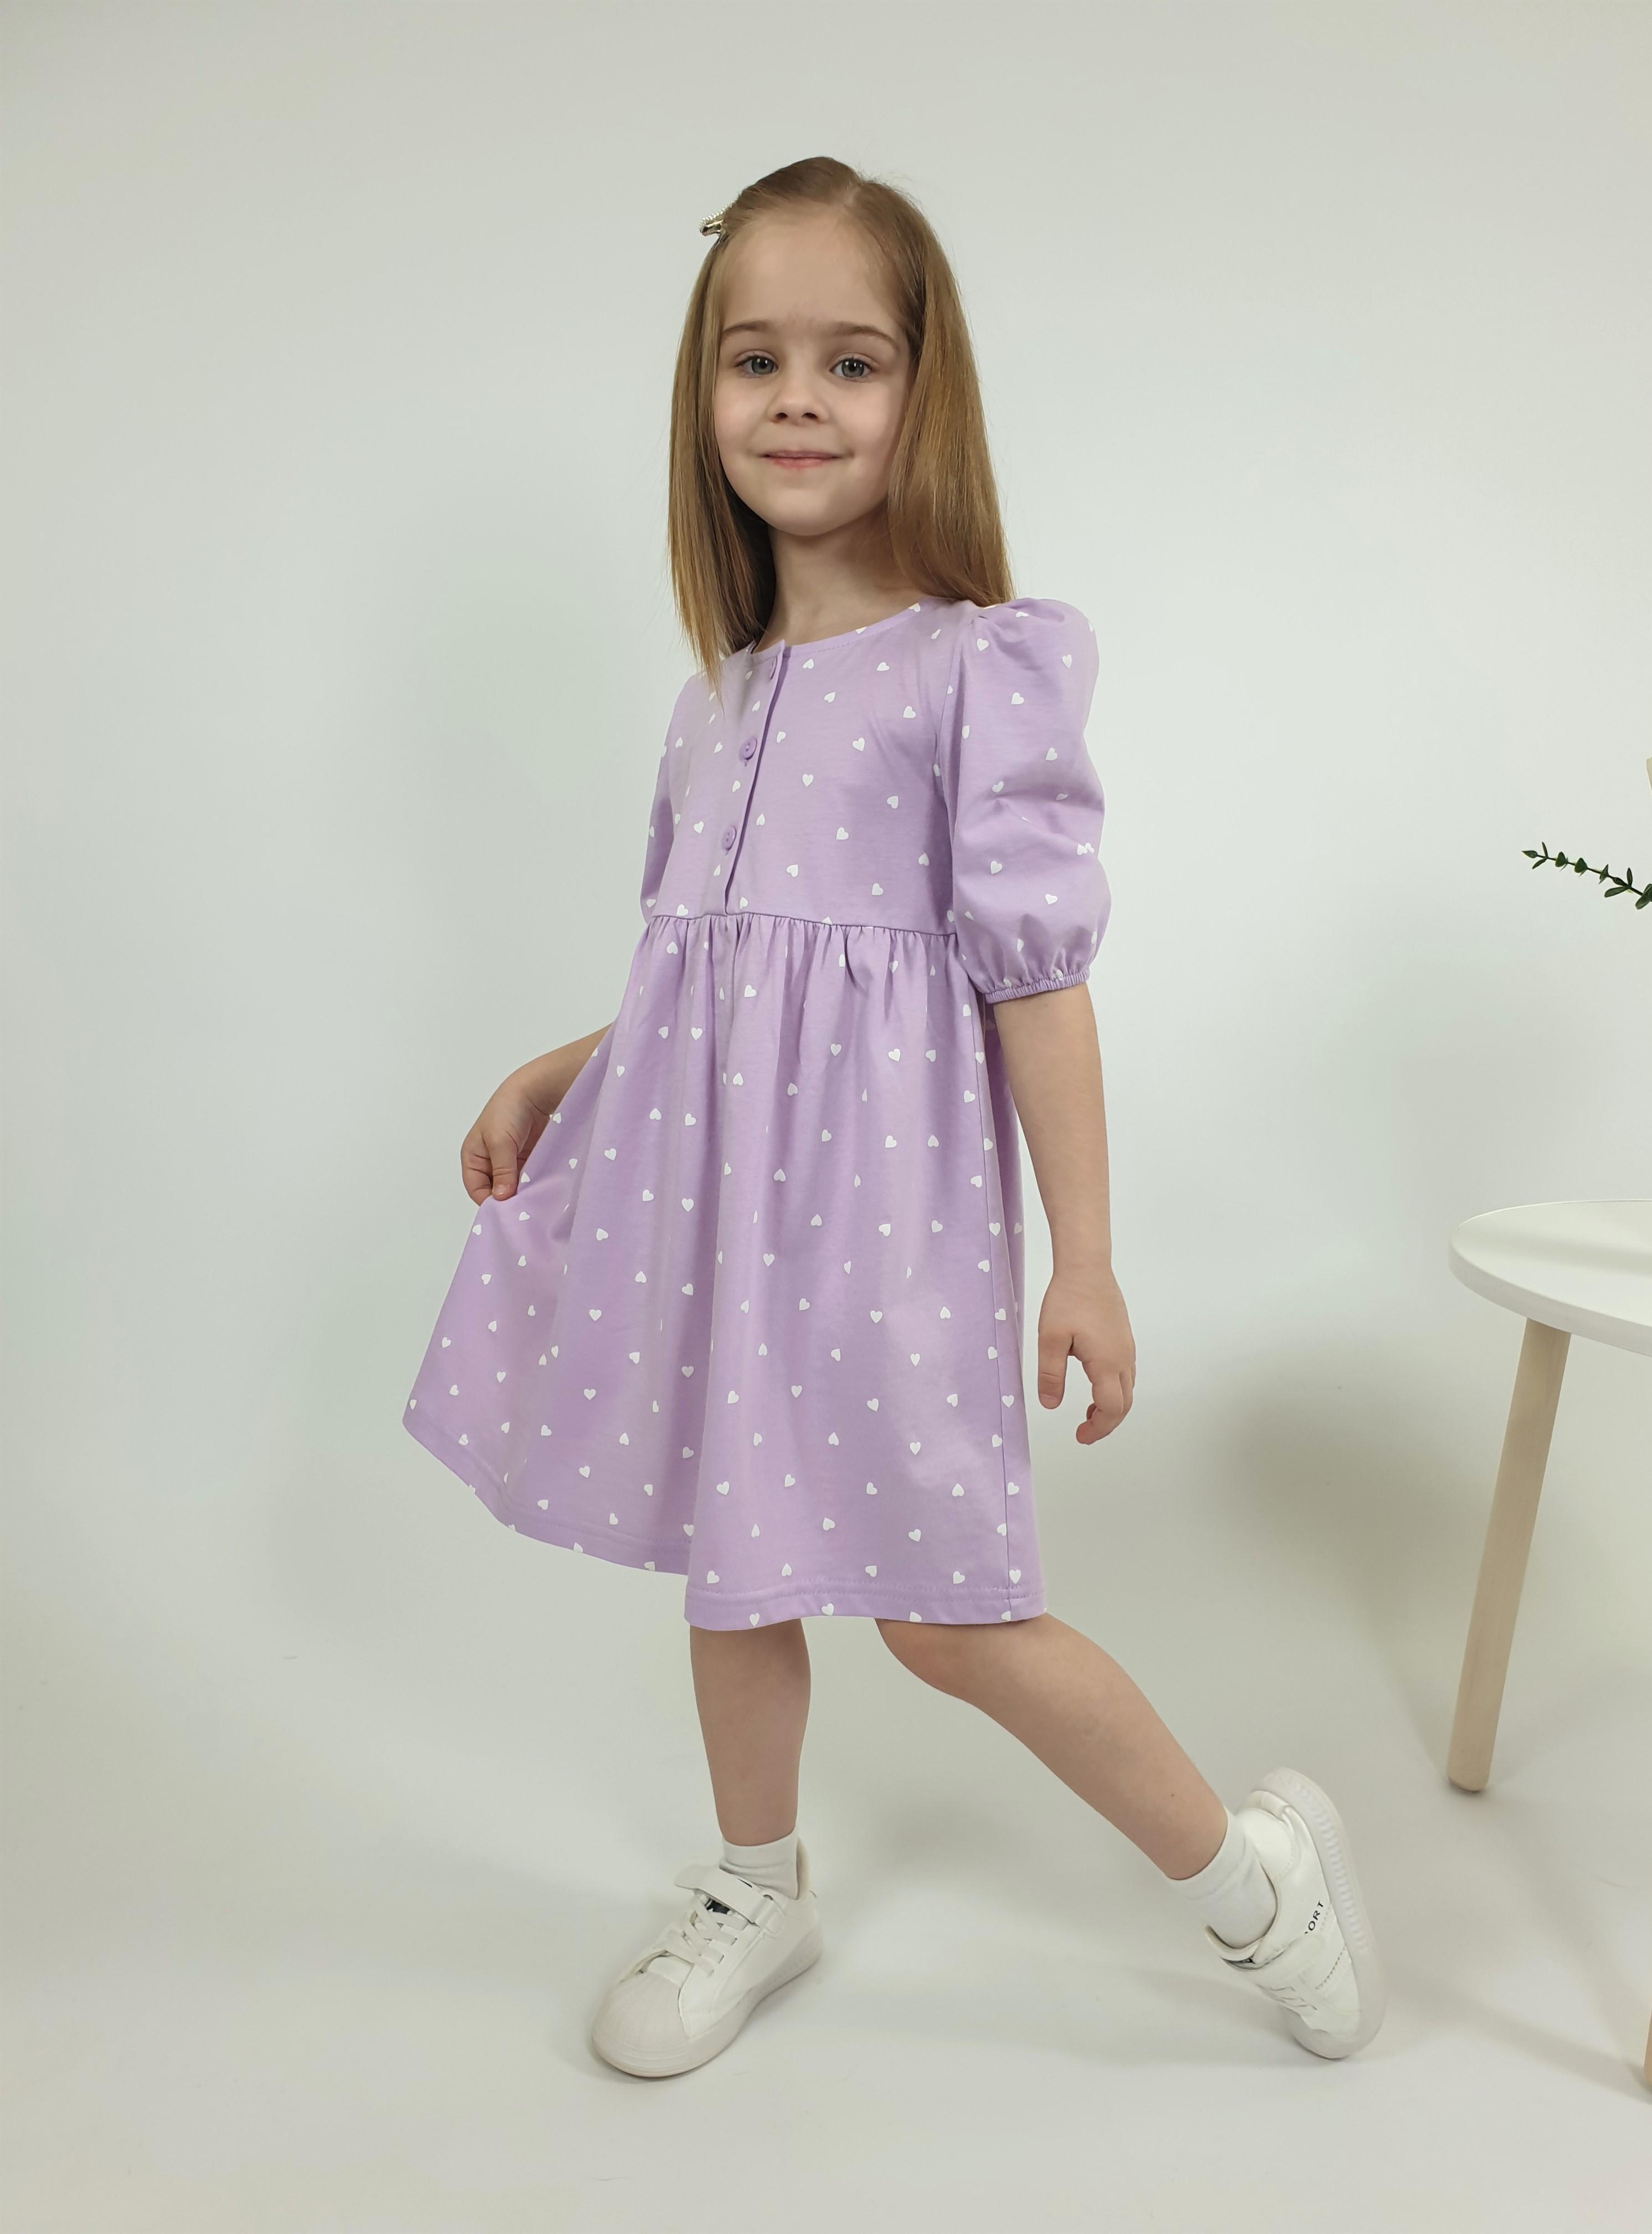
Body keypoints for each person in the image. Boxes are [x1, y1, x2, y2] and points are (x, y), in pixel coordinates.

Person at [401, 156, 1385, 2081]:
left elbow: (1035, 981)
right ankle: (755, 1881)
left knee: (948, 1621)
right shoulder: (717, 700)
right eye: (755, 359)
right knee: (733, 1557)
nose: (799, 400)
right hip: (724, 1220)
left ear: (925, 393)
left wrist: (1086, 1259)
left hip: (886, 1230)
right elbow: (726, 981)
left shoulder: (971, 671)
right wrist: (563, 1068)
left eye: (850, 362)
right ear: (703, 393)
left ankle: (1256, 1880)